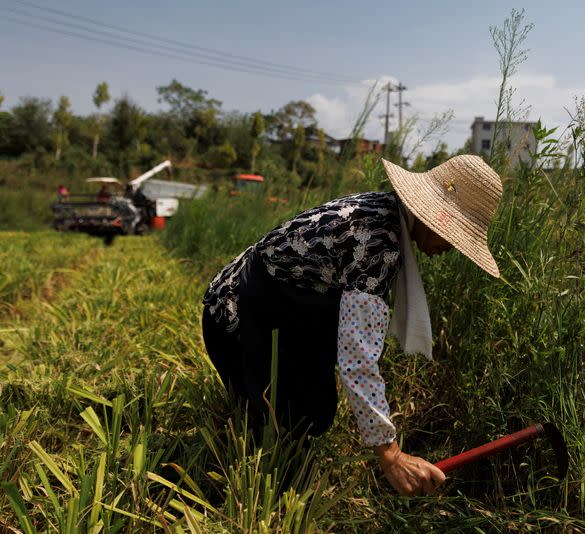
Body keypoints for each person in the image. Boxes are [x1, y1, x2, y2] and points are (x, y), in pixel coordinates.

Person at [201, 154, 502, 497]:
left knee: (314, 411)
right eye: (453, 236)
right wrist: (391, 456)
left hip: (265, 309)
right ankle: (247, 493)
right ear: (435, 218)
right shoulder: (379, 242)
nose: (450, 249)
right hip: (234, 320)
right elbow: (358, 358)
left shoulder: (381, 211)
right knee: (283, 427)